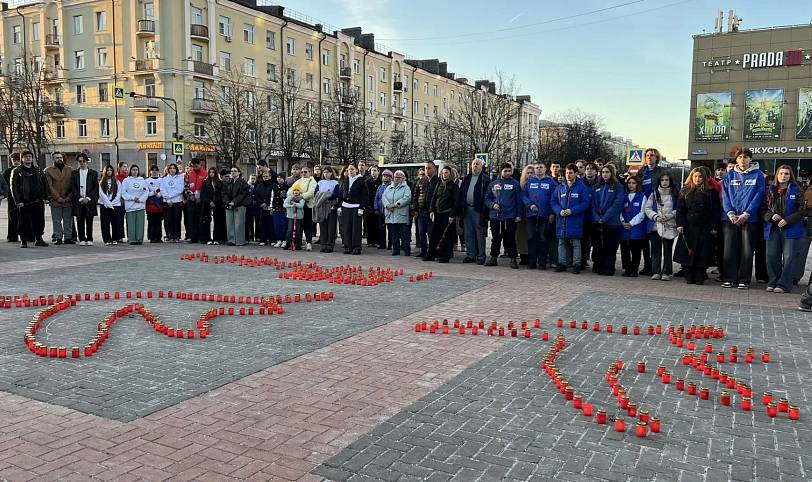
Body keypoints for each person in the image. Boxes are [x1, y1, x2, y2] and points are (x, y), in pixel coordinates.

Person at [721, 147, 766, 289]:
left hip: (749, 219)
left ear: (750, 159)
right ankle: (729, 278)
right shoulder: (729, 176)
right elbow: (725, 195)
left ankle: (744, 279)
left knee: (747, 251)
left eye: (746, 157)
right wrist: (730, 213)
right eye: (740, 157)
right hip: (731, 219)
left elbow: (759, 196)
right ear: (736, 159)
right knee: (729, 249)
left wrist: (747, 214)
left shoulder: (758, 175)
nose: (743, 159)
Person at [762, 165, 807, 293]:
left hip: (791, 228)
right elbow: (763, 209)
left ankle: (784, 284)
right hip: (773, 228)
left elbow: (802, 210)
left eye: (786, 174)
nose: (783, 176)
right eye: (781, 173)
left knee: (789, 257)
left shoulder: (797, 189)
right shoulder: (770, 190)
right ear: (777, 175)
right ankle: (773, 281)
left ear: (790, 175)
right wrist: (771, 216)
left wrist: (787, 220)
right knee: (771, 256)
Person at [675, 168, 721, 284]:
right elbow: (680, 210)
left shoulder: (711, 192)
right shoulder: (684, 191)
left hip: (704, 227)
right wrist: (680, 224)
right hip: (688, 227)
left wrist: (714, 227)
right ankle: (688, 273)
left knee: (702, 252)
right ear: (691, 177)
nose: (697, 179)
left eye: (700, 177)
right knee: (688, 251)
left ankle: (700, 274)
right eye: (695, 176)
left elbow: (715, 211)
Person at [552, 163, 591, 274]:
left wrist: (572, 211)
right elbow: (553, 201)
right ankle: (562, 263)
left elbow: (585, 203)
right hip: (562, 219)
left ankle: (576, 264)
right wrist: (559, 211)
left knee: (576, 242)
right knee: (561, 242)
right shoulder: (560, 187)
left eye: (570, 173)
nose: (568, 175)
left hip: (575, 219)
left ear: (576, 173)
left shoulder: (581, 187)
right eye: (567, 173)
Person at [485, 162, 522, 268]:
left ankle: (513, 258)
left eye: (509, 171)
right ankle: (493, 258)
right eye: (505, 171)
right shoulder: (493, 184)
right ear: (501, 171)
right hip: (495, 216)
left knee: (510, 238)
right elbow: (487, 198)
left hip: (510, 216)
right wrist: (492, 205)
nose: (507, 173)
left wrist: (518, 214)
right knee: (495, 238)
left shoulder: (515, 184)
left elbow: (518, 201)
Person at [591, 164, 625, 276]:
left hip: (612, 223)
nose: (605, 174)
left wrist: (605, 218)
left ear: (612, 173)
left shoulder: (618, 187)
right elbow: (593, 204)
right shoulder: (597, 187)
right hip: (598, 222)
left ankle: (609, 268)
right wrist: (597, 217)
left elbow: (617, 205)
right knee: (598, 247)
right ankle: (599, 266)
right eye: (603, 172)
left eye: (607, 172)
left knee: (610, 247)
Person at [10, 151, 49, 248]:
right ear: (22, 159)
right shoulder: (17, 171)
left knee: (39, 221)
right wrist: (18, 201)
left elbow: (45, 184)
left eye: (30, 156)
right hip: (24, 202)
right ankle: (23, 240)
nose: (28, 158)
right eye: (26, 157)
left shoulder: (38, 170)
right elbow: (13, 187)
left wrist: (46, 197)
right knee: (23, 222)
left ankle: (39, 239)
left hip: (37, 200)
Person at [645, 172, 678, 280]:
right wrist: (655, 217)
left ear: (670, 181)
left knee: (667, 250)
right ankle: (656, 272)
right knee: (655, 250)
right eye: (662, 180)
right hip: (656, 225)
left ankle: (666, 272)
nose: (664, 182)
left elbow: (679, 209)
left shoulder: (675, 193)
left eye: (666, 180)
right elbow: (648, 208)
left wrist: (668, 216)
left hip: (669, 225)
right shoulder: (654, 193)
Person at [521, 164, 555, 269]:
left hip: (544, 215)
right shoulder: (529, 182)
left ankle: (542, 262)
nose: (539, 169)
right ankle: (532, 262)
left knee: (542, 238)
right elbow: (523, 195)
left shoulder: (551, 182)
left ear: (545, 169)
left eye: (541, 167)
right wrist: (530, 205)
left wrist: (551, 213)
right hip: (531, 214)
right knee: (531, 237)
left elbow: (554, 198)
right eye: (537, 167)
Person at [458, 157, 490, 265]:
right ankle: (470, 254)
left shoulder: (485, 179)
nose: (475, 166)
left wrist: (484, 212)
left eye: (477, 164)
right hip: (467, 209)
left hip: (479, 210)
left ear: (482, 167)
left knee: (480, 234)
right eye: (473, 164)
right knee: (468, 233)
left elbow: (487, 196)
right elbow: (461, 193)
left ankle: (481, 256)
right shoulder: (466, 178)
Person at [425, 166, 460, 263]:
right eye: (443, 173)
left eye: (447, 173)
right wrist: (431, 210)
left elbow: (456, 201)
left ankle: (445, 255)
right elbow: (434, 197)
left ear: (450, 174)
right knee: (434, 234)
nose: (444, 175)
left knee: (447, 236)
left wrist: (452, 215)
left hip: (447, 213)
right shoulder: (438, 184)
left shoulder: (453, 186)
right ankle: (431, 254)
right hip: (437, 213)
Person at [44, 152, 75, 245]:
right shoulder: (48, 170)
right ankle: (58, 237)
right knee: (56, 220)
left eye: (61, 157)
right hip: (55, 200)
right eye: (57, 158)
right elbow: (49, 186)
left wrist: (69, 197)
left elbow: (73, 185)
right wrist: (57, 197)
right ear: (53, 159)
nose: (59, 159)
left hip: (68, 199)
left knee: (68, 219)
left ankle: (68, 238)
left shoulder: (70, 169)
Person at [619, 176, 647, 277]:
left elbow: (642, 213)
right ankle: (627, 269)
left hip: (636, 229)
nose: (631, 185)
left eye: (633, 183)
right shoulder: (624, 196)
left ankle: (634, 270)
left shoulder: (642, 196)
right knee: (624, 250)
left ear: (638, 184)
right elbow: (619, 211)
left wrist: (631, 223)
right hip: (624, 228)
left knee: (635, 251)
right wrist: (622, 222)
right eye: (629, 183)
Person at [412, 161, 439, 258]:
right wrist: (414, 208)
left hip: (432, 211)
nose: (427, 170)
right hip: (421, 210)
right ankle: (423, 250)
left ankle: (432, 251)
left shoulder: (438, 181)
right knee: (421, 232)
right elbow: (415, 196)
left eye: (429, 168)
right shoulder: (420, 181)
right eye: (426, 168)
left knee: (431, 233)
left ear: (434, 169)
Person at [340, 163, 368, 255]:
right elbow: (342, 193)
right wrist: (340, 206)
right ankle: (348, 246)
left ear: (356, 170)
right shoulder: (346, 180)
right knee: (346, 227)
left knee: (356, 228)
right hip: (346, 206)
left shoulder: (361, 181)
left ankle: (356, 247)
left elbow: (364, 196)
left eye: (352, 169)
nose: (350, 171)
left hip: (356, 206)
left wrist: (361, 207)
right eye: (349, 170)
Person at [71, 154, 99, 246]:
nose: (82, 163)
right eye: (80, 161)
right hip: (79, 200)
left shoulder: (93, 173)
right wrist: (79, 198)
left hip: (89, 200)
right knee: (80, 220)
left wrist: (88, 198)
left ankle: (90, 238)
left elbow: (95, 187)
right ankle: (82, 239)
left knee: (89, 220)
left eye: (83, 161)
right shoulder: (74, 173)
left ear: (87, 161)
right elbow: (73, 187)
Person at [383, 170, 412, 256]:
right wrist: (388, 205)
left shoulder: (406, 188)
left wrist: (396, 205)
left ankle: (407, 250)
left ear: (403, 178)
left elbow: (407, 198)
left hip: (401, 214)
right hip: (390, 214)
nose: (396, 179)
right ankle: (396, 250)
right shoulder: (388, 187)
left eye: (399, 177)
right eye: (395, 177)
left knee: (404, 234)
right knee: (393, 234)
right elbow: (384, 198)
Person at [314, 166, 341, 252]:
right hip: (322, 206)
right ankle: (323, 244)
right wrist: (324, 196)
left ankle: (330, 245)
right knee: (323, 227)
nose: (326, 174)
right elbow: (316, 193)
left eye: (328, 172)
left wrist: (326, 196)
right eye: (325, 172)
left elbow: (335, 194)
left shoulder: (335, 183)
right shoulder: (320, 183)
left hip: (331, 206)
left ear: (331, 173)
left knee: (331, 227)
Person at [120, 165, 148, 245]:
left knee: (140, 223)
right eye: (133, 170)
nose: (135, 171)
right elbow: (123, 193)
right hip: (130, 205)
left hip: (140, 205)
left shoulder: (142, 180)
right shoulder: (126, 180)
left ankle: (139, 239)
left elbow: (146, 191)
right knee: (131, 223)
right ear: (130, 171)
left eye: (136, 170)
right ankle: (132, 239)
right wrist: (132, 198)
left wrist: (141, 199)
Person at [580, 162, 600, 270]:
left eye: (592, 169)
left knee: (596, 242)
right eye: (587, 169)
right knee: (582, 241)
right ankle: (582, 262)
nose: (589, 171)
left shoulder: (600, 184)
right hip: (583, 217)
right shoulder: (580, 183)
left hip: (596, 217)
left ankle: (596, 263)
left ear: (596, 172)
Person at [222, 166, 249, 246]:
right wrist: (227, 202)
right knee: (229, 223)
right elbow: (224, 193)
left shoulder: (243, 182)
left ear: (239, 172)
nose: (233, 172)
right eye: (231, 171)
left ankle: (240, 241)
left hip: (240, 205)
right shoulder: (228, 182)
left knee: (239, 223)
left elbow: (243, 194)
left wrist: (234, 202)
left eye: (235, 171)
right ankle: (231, 240)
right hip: (229, 205)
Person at [292, 166, 317, 251]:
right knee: (299, 225)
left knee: (308, 225)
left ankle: (309, 242)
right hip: (299, 206)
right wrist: (292, 196)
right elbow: (291, 190)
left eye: (305, 172)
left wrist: (301, 196)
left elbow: (311, 192)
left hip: (308, 206)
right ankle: (298, 243)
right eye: (302, 172)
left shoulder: (312, 181)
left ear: (310, 172)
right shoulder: (299, 181)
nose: (303, 173)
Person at [200, 167, 227, 245]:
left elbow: (221, 194)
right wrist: (209, 202)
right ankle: (207, 238)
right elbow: (203, 195)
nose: (211, 174)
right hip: (207, 205)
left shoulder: (220, 182)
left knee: (218, 222)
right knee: (206, 221)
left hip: (217, 205)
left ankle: (217, 238)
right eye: (210, 172)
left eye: (213, 172)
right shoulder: (205, 182)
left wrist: (215, 202)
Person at [98, 165, 122, 246]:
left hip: (115, 205)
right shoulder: (101, 182)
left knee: (115, 223)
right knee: (105, 223)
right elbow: (101, 194)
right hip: (104, 205)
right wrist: (108, 203)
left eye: (110, 170)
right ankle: (107, 239)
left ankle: (115, 238)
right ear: (105, 172)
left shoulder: (117, 182)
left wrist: (112, 203)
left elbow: (119, 194)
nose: (109, 172)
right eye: (107, 170)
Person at [254, 169, 278, 247]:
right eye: (264, 176)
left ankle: (272, 240)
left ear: (270, 177)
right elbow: (256, 195)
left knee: (271, 224)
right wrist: (261, 203)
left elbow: (274, 196)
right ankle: (263, 239)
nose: (265, 178)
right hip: (261, 207)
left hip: (271, 207)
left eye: (267, 176)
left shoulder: (274, 185)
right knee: (262, 224)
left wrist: (267, 203)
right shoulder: (259, 185)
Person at [161, 163, 184, 242]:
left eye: (174, 168)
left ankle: (176, 236)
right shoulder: (164, 179)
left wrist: (170, 196)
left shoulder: (180, 178)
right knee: (168, 219)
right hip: (167, 202)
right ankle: (169, 235)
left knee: (177, 219)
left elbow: (180, 189)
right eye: (170, 168)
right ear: (168, 170)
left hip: (177, 201)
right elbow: (163, 189)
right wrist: (168, 199)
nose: (172, 170)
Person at [185, 158, 206, 243]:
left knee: (200, 218)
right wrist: (191, 195)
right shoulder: (189, 173)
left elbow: (207, 187)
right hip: (191, 200)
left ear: (199, 164)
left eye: (196, 166)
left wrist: (200, 196)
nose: (195, 168)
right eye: (193, 166)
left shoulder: (205, 173)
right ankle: (193, 237)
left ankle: (201, 236)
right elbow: (186, 186)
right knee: (191, 219)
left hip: (201, 200)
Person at [3, 153, 21, 242]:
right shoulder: (7, 172)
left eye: (18, 160)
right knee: (12, 217)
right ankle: (12, 236)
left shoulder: (23, 170)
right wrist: (6, 194)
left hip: (23, 197)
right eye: (14, 160)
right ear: (11, 160)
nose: (16, 162)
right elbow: (5, 185)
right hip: (12, 197)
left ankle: (28, 235)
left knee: (26, 217)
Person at [364, 166, 383, 248]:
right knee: (368, 224)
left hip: (377, 206)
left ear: (378, 172)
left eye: (375, 171)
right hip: (368, 206)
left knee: (377, 225)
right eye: (372, 171)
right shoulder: (367, 182)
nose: (373, 172)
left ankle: (377, 241)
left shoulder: (381, 182)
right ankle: (370, 241)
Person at [374, 170, 393, 250]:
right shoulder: (380, 187)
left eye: (387, 176)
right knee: (381, 229)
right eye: (384, 176)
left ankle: (390, 244)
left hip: (389, 211)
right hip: (380, 211)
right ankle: (382, 243)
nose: (385, 177)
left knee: (390, 229)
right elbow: (377, 198)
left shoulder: (392, 186)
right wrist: (376, 208)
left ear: (390, 177)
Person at [145, 166, 164, 243]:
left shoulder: (162, 180)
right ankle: (152, 237)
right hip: (150, 203)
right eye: (153, 170)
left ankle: (158, 237)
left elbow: (164, 189)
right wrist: (153, 193)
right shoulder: (146, 181)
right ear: (150, 171)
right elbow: (145, 192)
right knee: (151, 221)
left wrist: (160, 194)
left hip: (159, 204)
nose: (154, 171)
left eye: (156, 170)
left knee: (159, 221)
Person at [113, 161, 128, 243]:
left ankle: (130, 235)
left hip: (128, 200)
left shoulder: (128, 177)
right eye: (124, 166)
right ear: (119, 168)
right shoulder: (116, 177)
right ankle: (120, 236)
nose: (126, 168)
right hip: (119, 201)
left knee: (129, 219)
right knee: (119, 219)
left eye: (126, 166)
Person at [273, 172, 288, 246]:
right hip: (276, 209)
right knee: (276, 225)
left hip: (283, 209)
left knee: (283, 225)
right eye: (278, 177)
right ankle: (278, 240)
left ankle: (284, 240)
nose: (279, 179)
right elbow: (272, 198)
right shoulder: (275, 187)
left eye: (281, 177)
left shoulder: (286, 187)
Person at [245, 174, 259, 244]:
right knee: (249, 222)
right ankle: (250, 236)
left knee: (257, 222)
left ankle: (257, 237)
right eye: (252, 178)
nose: (253, 180)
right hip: (249, 206)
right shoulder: (247, 186)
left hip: (256, 206)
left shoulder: (258, 186)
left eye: (254, 179)